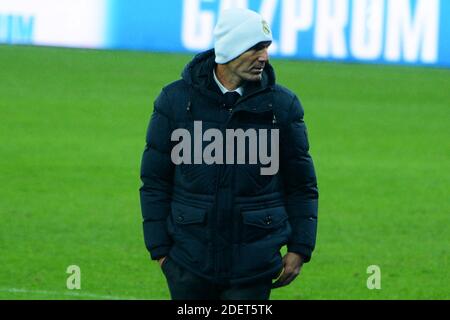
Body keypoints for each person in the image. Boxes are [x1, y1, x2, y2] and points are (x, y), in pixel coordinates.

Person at [139, 8, 318, 300]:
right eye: (256, 48)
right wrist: (160, 252)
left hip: (255, 267)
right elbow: (155, 182)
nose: (265, 57)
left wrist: (300, 247)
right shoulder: (174, 101)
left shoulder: (283, 106)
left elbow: (302, 186)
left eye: (267, 47)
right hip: (188, 265)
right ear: (230, 49)